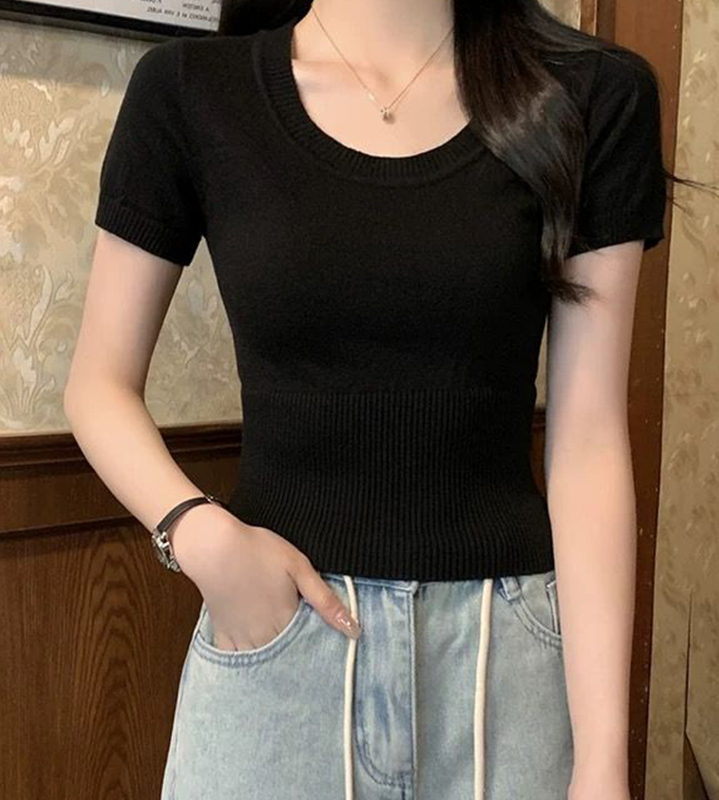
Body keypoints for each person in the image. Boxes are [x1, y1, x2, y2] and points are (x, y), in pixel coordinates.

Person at [64, 1, 674, 798]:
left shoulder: (593, 94)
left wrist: (602, 760)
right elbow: (98, 384)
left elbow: (589, 437)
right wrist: (201, 537)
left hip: (507, 663)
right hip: (280, 645)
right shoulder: (189, 91)